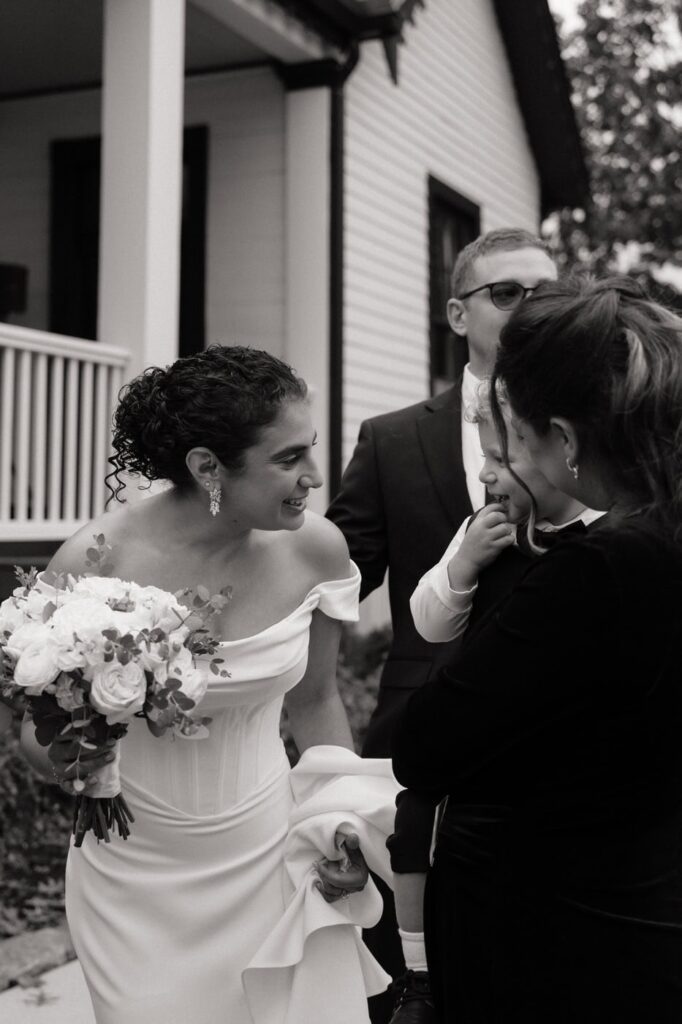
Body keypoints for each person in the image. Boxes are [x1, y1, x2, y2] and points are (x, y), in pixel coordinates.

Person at [19, 345, 399, 1024]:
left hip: (271, 851)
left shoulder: (317, 550)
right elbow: (33, 737)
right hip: (134, 877)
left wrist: (337, 826)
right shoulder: (97, 562)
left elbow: (315, 703)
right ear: (206, 467)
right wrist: (83, 747)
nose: (314, 476)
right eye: (288, 459)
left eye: (310, 450)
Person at [392, 276, 682, 1022]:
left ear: (570, 439)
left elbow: (426, 746)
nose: (510, 460)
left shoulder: (602, 565)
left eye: (518, 436)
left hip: (564, 933)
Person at [327, 227, 557, 1021]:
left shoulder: (597, 434)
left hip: (556, 723)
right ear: (458, 315)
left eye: (544, 291)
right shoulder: (391, 439)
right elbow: (333, 576)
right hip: (420, 722)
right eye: (506, 293)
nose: (530, 308)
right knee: (406, 959)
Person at [388, 382, 602, 999]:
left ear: (563, 451)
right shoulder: (488, 526)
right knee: (418, 819)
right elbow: (430, 620)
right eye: (482, 455)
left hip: (548, 741)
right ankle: (420, 976)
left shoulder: (602, 540)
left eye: (499, 458)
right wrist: (463, 566)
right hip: (474, 713)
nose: (483, 473)